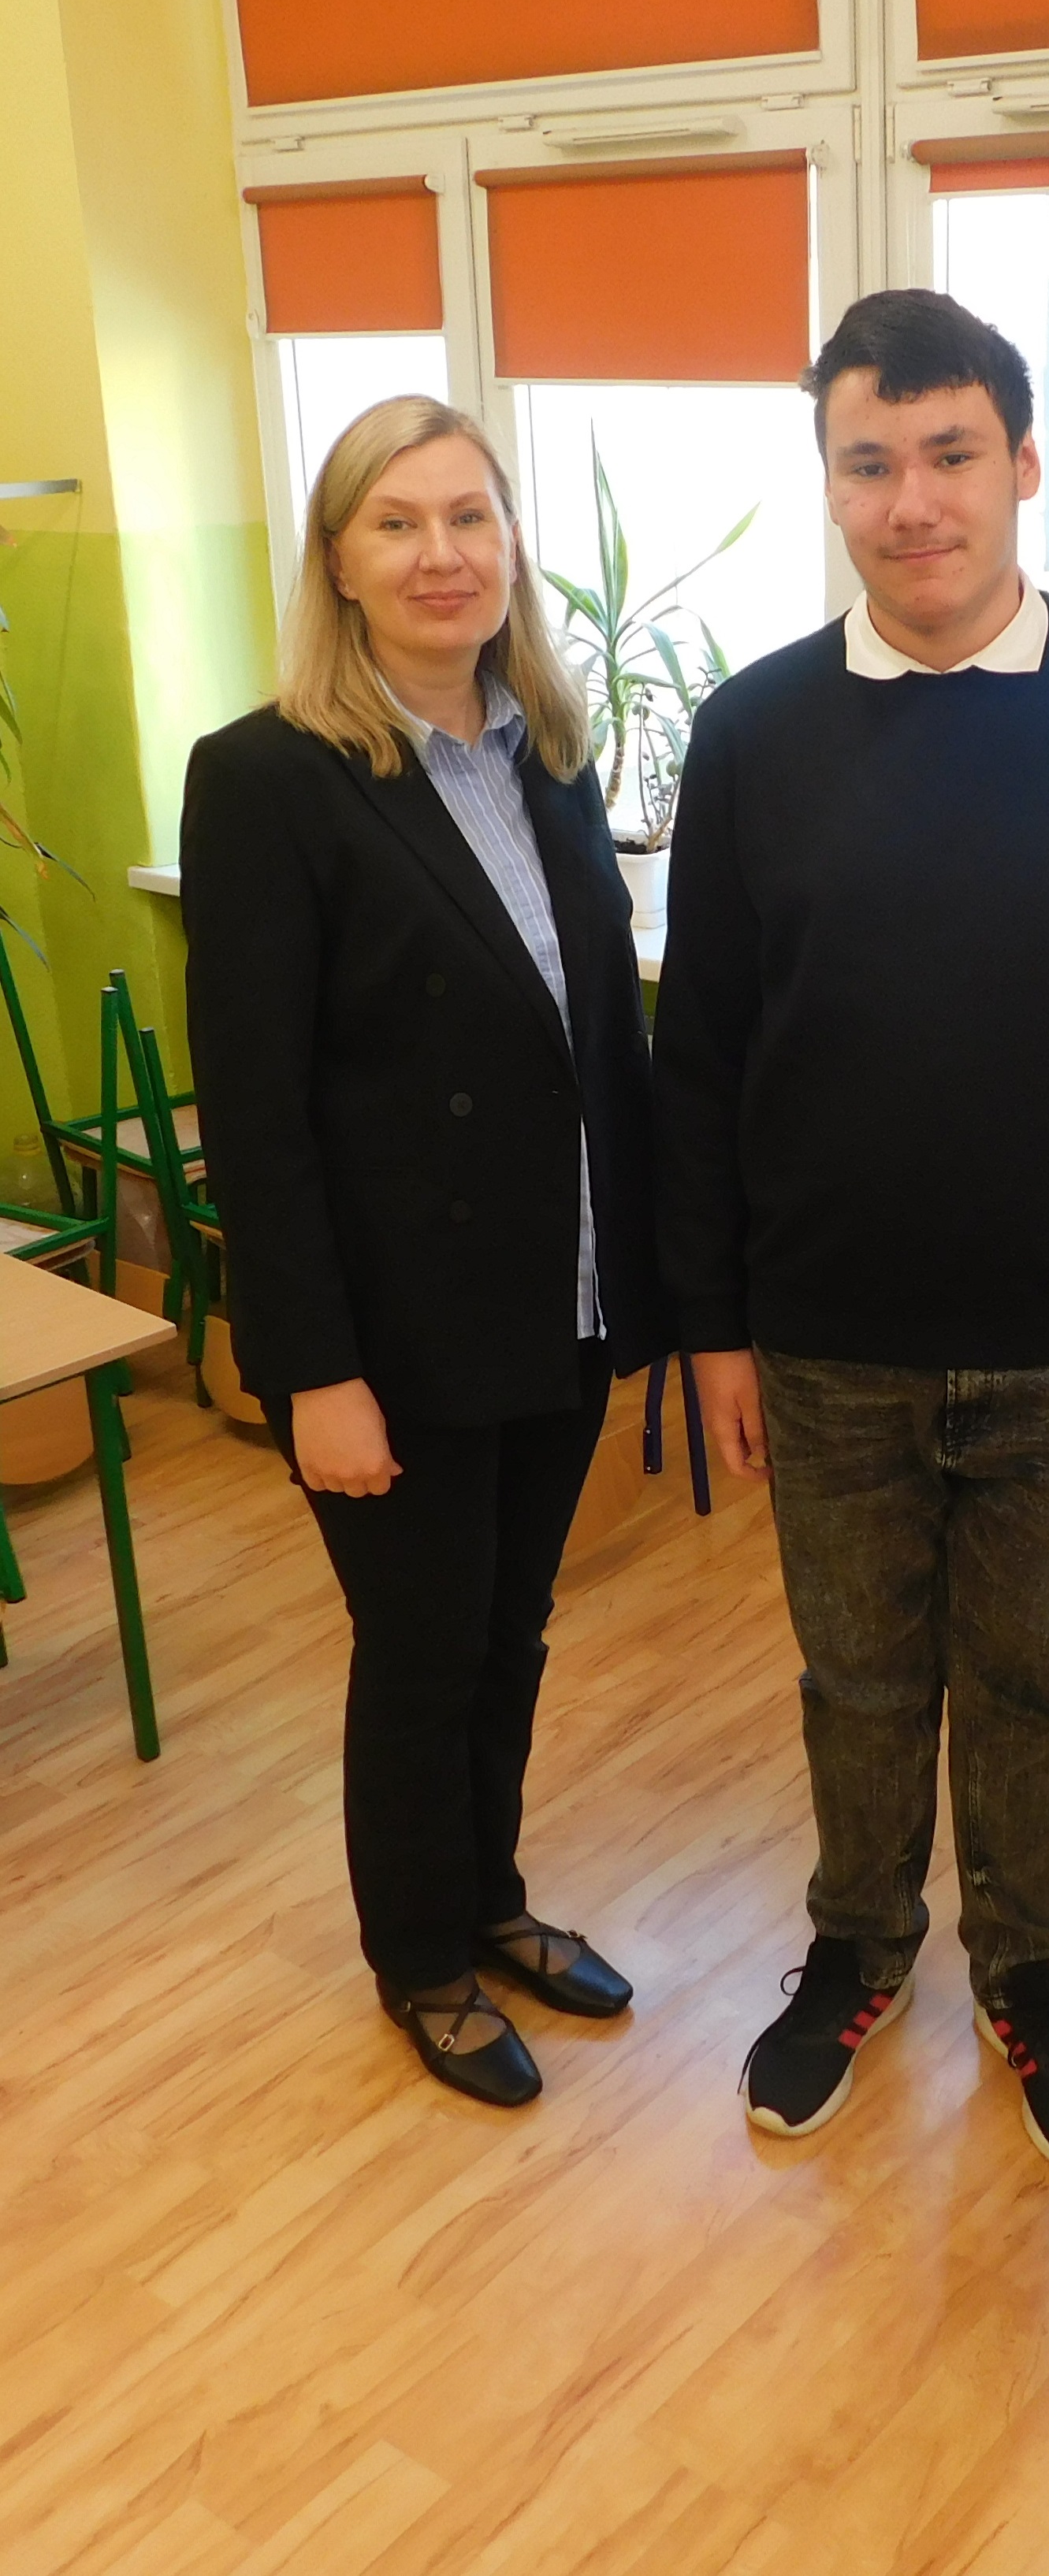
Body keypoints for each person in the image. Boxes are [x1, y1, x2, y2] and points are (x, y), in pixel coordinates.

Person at [653, 291, 1049, 2172]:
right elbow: (705, 1056)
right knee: (855, 1682)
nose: (911, 500)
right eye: (869, 462)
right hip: (825, 1339)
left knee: (1025, 1687)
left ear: (1021, 465)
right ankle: (857, 1946)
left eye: (948, 455)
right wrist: (710, 1324)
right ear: (830, 483)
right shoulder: (753, 733)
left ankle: (1026, 1965)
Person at [183, 396, 670, 2108]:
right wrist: (314, 1371)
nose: (441, 553)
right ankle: (420, 1958)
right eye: (396, 522)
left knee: (509, 1631)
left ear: (512, 546)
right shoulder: (268, 779)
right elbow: (257, 1114)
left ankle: (490, 1900)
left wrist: (656, 1280)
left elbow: (595, 1035)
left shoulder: (551, 751)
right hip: (393, 1332)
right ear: (338, 560)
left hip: (558, 1297)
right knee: (420, 1651)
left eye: (470, 516)